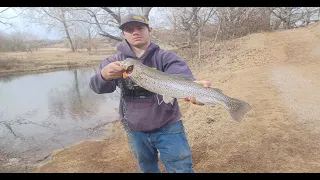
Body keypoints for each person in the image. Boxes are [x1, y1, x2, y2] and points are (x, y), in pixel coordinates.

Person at [89, 13, 212, 173]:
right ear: (122, 34)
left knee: (181, 169)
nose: (135, 32)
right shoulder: (113, 61)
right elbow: (97, 87)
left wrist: (193, 87)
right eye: (129, 29)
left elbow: (182, 77)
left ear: (149, 30)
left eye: (140, 28)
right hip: (135, 130)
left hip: (169, 126)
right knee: (147, 169)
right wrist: (103, 76)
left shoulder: (166, 57)